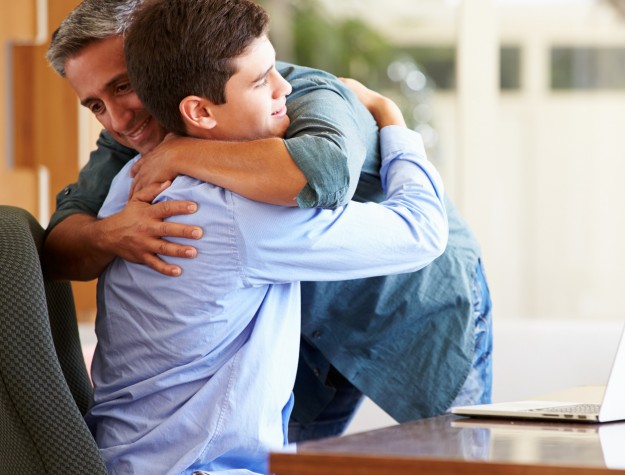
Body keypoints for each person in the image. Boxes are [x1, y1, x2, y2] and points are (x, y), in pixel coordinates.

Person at [45, 0, 493, 442]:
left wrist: (185, 151)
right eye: (96, 105)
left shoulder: (293, 92)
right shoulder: (134, 148)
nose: (118, 119)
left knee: (461, 457)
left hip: (406, 299)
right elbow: (59, 246)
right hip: (285, 330)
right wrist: (112, 233)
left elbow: (325, 175)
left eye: (123, 86)